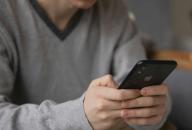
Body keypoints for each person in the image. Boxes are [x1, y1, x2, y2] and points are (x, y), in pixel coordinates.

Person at [0, 0, 171, 130]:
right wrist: (80, 116)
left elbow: (141, 90)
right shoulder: (6, 14)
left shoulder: (114, 9)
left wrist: (155, 111)